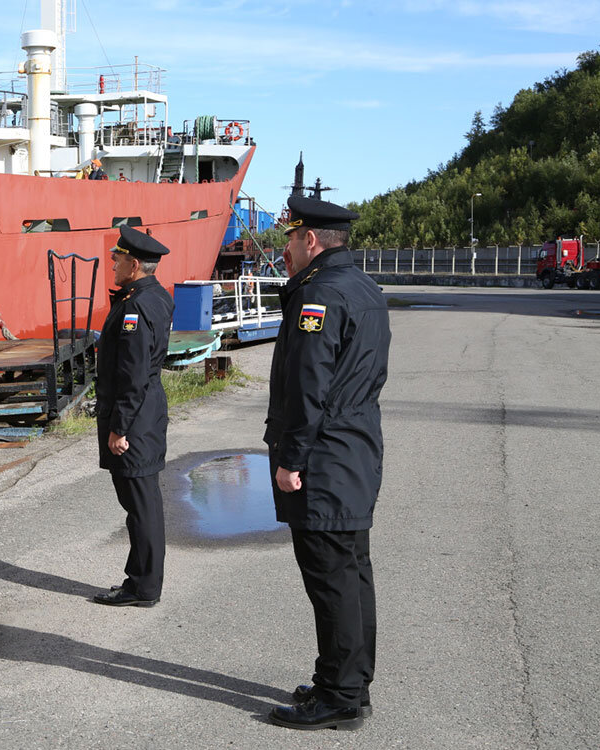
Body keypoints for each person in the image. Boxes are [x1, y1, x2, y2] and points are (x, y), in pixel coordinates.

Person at [265, 196, 390, 731]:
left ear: (310, 240)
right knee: (352, 571)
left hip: (324, 455)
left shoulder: (318, 295)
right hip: (356, 447)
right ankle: (349, 682)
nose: (288, 249)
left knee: (331, 579)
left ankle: (338, 696)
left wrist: (292, 459)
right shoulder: (364, 287)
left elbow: (307, 386)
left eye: (292, 239)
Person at [92, 226, 174, 607]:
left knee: (140, 505)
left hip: (135, 421)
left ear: (135, 264)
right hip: (146, 414)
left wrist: (118, 427)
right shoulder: (155, 296)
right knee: (143, 503)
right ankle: (143, 581)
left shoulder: (136, 307)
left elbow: (133, 373)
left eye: (118, 258)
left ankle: (142, 586)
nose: (113, 262)